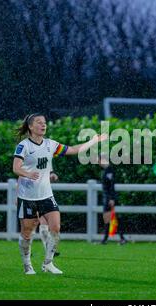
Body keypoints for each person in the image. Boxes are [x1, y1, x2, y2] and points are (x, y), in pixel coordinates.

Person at [13, 113, 106, 275]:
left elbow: (74, 150)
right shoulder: (24, 146)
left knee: (55, 227)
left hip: (46, 196)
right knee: (27, 233)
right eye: (39, 123)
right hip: (27, 197)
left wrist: (94, 141)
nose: (43, 125)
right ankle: (27, 265)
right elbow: (16, 167)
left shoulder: (51, 144)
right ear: (30, 127)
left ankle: (48, 263)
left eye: (45, 123)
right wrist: (27, 174)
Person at [99, 154, 127, 245]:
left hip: (109, 198)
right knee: (109, 218)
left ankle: (118, 238)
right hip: (108, 197)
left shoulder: (109, 171)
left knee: (111, 218)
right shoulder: (107, 170)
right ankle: (107, 239)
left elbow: (111, 185)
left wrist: (111, 198)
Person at [37, 169, 60, 257]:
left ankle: (49, 251)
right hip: (33, 192)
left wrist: (52, 174)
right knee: (30, 226)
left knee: (49, 224)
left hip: (45, 193)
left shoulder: (48, 156)